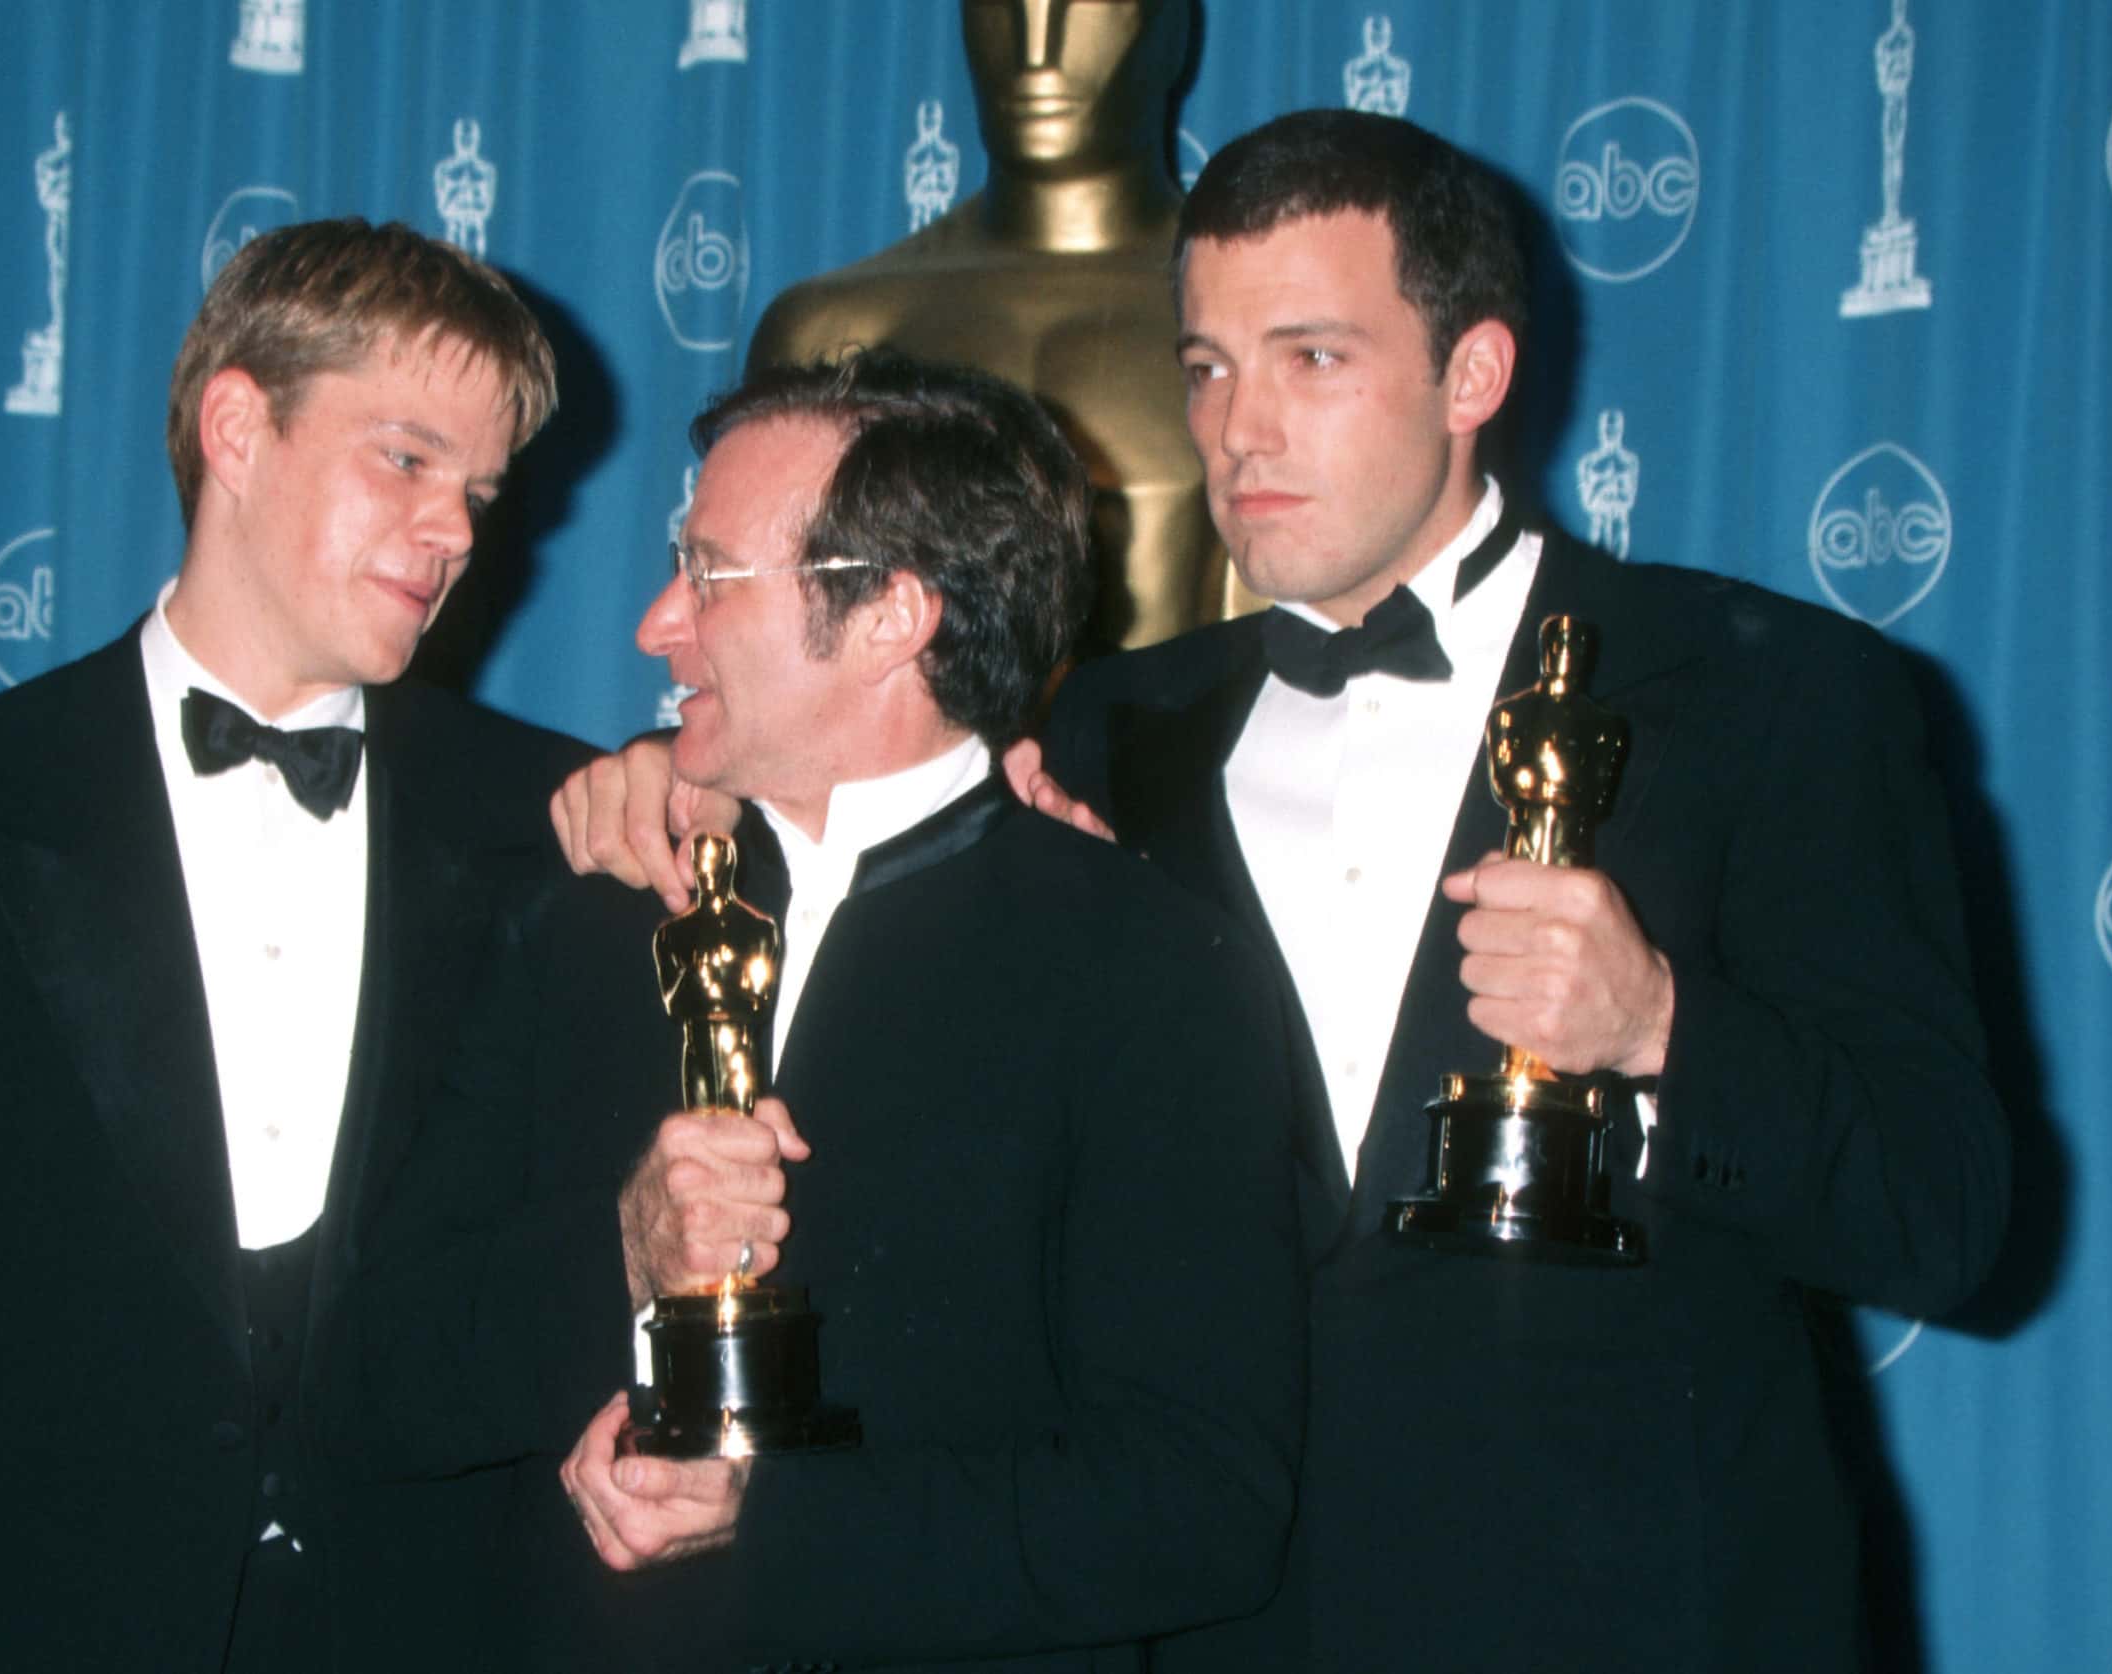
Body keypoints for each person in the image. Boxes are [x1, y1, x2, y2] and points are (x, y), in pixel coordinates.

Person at [555, 111, 2011, 1672]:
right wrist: (666, 770)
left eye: (1310, 357)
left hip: (1636, 1610)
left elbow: (1948, 1216)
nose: (1238, 429)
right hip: (1217, 1623)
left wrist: (1663, 1026)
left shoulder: (1775, 701)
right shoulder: (1102, 728)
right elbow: (838, 772)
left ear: (1474, 376)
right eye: (1205, 366)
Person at [0, 218, 591, 1673]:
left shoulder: (559, 817)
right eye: (407, 459)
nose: (457, 529)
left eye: (478, 488)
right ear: (237, 427)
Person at [348, 350, 1307, 1672]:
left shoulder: (1150, 969)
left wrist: (773, 1520)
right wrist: (618, 1253)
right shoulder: (586, 920)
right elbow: (375, 1381)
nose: (656, 622)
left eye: (711, 573)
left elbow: (1202, 1505)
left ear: (893, 615)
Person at [749, 0, 1232, 651]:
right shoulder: (826, 330)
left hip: (1187, 751)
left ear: (1173, 27)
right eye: (1000, 6)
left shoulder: (1250, 323)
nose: (1036, 51)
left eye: (1086, 5)